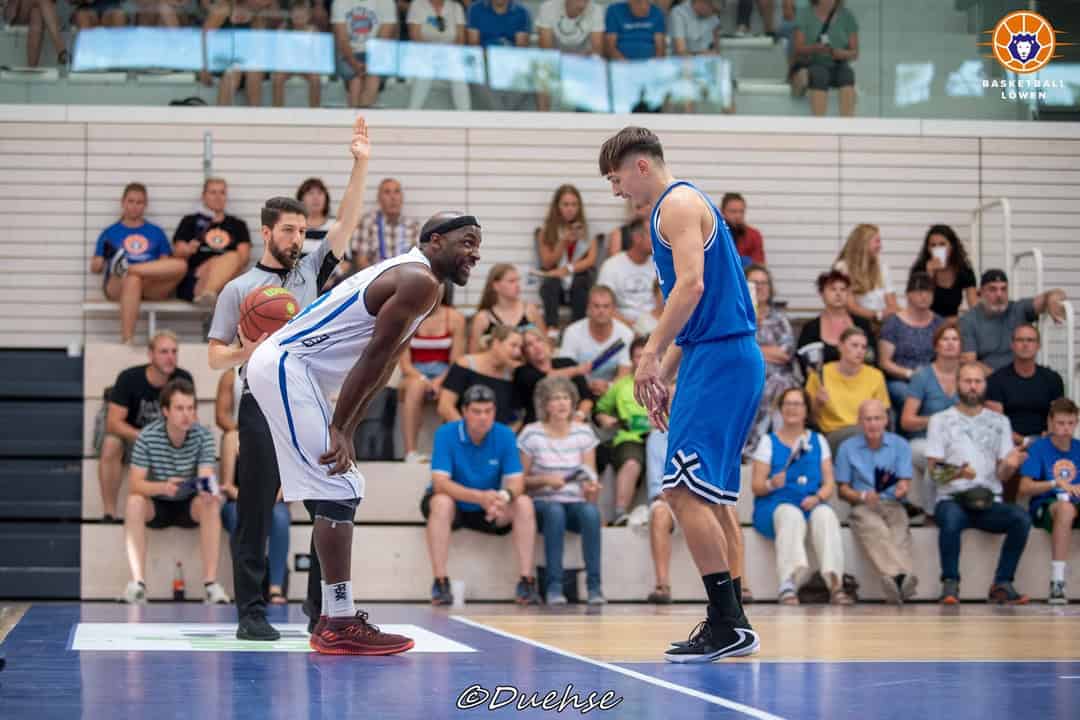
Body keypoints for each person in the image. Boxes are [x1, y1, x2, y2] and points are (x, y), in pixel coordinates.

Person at [246, 208, 483, 654]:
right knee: (340, 484)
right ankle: (337, 621)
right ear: (435, 241)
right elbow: (373, 357)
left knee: (340, 484)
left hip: (298, 372)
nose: (475, 254)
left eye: (478, 246)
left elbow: (388, 362)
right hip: (286, 365)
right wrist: (339, 426)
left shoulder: (421, 282)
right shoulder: (418, 280)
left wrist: (348, 428)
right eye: (467, 242)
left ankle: (331, 618)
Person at [600, 125, 762, 661]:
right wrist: (665, 373)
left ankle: (726, 622)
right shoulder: (678, 207)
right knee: (710, 499)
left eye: (616, 178)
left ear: (640, 166)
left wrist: (649, 354)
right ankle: (734, 621)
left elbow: (691, 287)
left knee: (681, 492)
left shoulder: (676, 205)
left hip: (721, 357)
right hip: (713, 355)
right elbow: (693, 312)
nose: (616, 191)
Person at [207, 117, 370, 642]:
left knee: (332, 500)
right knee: (255, 509)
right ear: (266, 232)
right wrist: (246, 350)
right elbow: (214, 357)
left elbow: (345, 223)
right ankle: (251, 612)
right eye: (288, 230)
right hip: (259, 401)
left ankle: (321, 608)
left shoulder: (311, 273)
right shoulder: (239, 289)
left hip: (308, 400)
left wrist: (360, 164)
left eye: (302, 231)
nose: (298, 238)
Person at [422, 385, 541, 607]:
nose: (483, 417)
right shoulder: (446, 433)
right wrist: (480, 497)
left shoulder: (504, 434)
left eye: (488, 411)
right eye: (477, 411)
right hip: (456, 505)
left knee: (524, 503)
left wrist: (503, 497)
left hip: (489, 506)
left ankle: (526, 581)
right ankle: (440, 582)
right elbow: (440, 484)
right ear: (464, 411)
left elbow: (517, 482)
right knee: (441, 502)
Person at [925, 362, 1032, 605]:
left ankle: (1002, 583)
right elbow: (933, 471)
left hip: (989, 501)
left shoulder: (1000, 422)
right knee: (950, 519)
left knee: (1021, 519)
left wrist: (1010, 465)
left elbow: (1002, 476)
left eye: (978, 381)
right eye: (967, 381)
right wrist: (959, 473)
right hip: (952, 499)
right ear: (957, 384)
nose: (973, 386)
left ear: (985, 385)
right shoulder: (940, 420)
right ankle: (950, 583)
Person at [120, 379, 230, 606]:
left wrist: (207, 489)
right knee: (133, 502)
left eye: (190, 408)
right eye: (179, 408)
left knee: (211, 503)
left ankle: (211, 585)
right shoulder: (147, 436)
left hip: (189, 504)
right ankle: (138, 584)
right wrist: (163, 487)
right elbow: (135, 484)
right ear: (165, 411)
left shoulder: (203, 435)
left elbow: (205, 476)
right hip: (158, 502)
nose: (186, 414)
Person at [750, 387, 848, 605]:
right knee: (790, 515)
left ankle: (835, 582)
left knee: (826, 516)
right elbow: (756, 486)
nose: (792, 409)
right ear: (780, 409)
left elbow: (829, 483)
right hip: (775, 505)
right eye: (787, 404)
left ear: (806, 410)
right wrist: (771, 484)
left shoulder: (819, 441)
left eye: (797, 404)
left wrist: (818, 498)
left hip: (810, 503)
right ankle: (788, 582)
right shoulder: (768, 442)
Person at [519, 376, 605, 604]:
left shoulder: (584, 433)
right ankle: (554, 587)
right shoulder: (531, 433)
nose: (561, 403)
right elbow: (520, 481)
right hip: (543, 503)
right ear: (545, 404)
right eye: (555, 398)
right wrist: (545, 480)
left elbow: (589, 475)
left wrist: (591, 486)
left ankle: (595, 588)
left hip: (575, 501)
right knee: (554, 511)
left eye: (566, 398)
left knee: (591, 513)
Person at [99, 331, 194, 522]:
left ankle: (177, 510)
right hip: (133, 438)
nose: (170, 357)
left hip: (168, 438)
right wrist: (145, 437)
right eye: (164, 352)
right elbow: (113, 423)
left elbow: (190, 417)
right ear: (150, 355)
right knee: (110, 444)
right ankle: (109, 513)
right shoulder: (129, 378)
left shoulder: (183, 379)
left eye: (174, 352)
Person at [216, 368, 291, 606]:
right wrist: (253, 501)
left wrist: (268, 500)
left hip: (272, 500)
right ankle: (247, 587)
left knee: (280, 517)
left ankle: (275, 586)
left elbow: (286, 482)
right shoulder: (233, 437)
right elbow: (227, 485)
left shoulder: (280, 436)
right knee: (240, 517)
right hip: (239, 499)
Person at [835, 399, 918, 605]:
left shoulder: (900, 445)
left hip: (893, 503)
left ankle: (895, 581)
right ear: (859, 422)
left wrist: (902, 488)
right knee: (875, 528)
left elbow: (905, 480)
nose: (873, 424)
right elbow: (842, 490)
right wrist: (862, 496)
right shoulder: (847, 448)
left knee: (899, 531)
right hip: (863, 505)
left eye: (877, 418)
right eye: (868, 419)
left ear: (886, 420)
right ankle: (901, 577)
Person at [90, 182, 187, 344]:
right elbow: (95, 267)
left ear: (145, 205)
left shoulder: (156, 232)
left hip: (150, 284)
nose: (135, 206)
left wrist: (132, 269)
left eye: (139, 202)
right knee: (132, 279)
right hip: (118, 285)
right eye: (131, 201)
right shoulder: (110, 232)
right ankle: (127, 340)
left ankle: (128, 268)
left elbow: (165, 266)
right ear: (123, 203)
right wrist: (99, 262)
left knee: (180, 265)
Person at [1018, 398, 1080, 605]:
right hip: (1047, 505)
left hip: (1076, 502)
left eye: (1070, 423)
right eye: (1061, 423)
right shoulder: (1039, 448)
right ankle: (1057, 582)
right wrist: (1055, 483)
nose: (1066, 429)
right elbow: (1024, 488)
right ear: (1050, 422)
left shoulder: (1079, 447)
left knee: (1069, 507)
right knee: (1065, 508)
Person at [398, 292, 466, 463]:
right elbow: (405, 365)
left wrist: (440, 380)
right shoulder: (407, 317)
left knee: (449, 389)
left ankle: (449, 451)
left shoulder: (455, 318)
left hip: (445, 372)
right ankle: (410, 452)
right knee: (416, 386)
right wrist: (424, 380)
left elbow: (456, 362)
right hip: (414, 373)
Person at [959, 268, 1067, 374]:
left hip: (1023, 375)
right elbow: (970, 362)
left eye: (1003, 289)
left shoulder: (1018, 309)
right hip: (990, 379)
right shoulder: (969, 320)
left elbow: (1058, 293)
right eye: (993, 289)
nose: (999, 294)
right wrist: (1002, 379)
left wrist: (1052, 299)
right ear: (981, 292)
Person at [900, 320, 961, 507]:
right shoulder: (923, 376)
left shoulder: (968, 376)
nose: (950, 343)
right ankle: (932, 512)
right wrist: (936, 420)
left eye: (955, 339)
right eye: (945, 339)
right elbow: (906, 421)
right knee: (936, 460)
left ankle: (940, 510)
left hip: (958, 441)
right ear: (936, 346)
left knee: (940, 464)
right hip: (923, 441)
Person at [595, 337, 652, 527]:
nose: (642, 360)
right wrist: (604, 418)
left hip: (662, 436)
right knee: (631, 462)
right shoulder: (620, 385)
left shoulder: (666, 382)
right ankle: (620, 513)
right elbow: (600, 409)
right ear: (631, 359)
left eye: (646, 355)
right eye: (638, 356)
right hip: (630, 436)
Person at [744, 264, 800, 456]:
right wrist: (767, 351)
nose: (760, 287)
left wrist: (751, 349)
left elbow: (785, 353)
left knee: (779, 383)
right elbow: (732, 351)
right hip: (744, 375)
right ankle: (752, 446)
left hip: (777, 377)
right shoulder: (737, 315)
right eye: (754, 283)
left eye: (764, 283)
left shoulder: (779, 319)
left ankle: (770, 446)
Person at [805, 326, 890, 453]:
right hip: (833, 434)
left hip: (867, 431)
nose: (860, 351)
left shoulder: (875, 376)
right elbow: (807, 417)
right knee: (861, 435)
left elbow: (883, 413)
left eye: (863, 347)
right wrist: (817, 403)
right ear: (840, 346)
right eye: (854, 345)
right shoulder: (820, 374)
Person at [172, 177, 252, 307]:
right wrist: (188, 249)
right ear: (203, 196)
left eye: (222, 193)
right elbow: (177, 253)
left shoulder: (237, 225)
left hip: (228, 279)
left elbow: (243, 259)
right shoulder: (190, 221)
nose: (218, 197)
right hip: (196, 278)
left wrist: (216, 264)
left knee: (233, 257)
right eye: (213, 192)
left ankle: (208, 293)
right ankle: (209, 293)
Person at [986, 324, 1065, 444]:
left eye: (1030, 340)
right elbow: (997, 426)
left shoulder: (1052, 379)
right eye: (1020, 340)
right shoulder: (995, 380)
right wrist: (1026, 441)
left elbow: (1059, 418)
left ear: (1038, 345)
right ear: (1012, 345)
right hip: (1008, 445)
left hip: (1046, 443)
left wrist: (1047, 438)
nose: (1025, 344)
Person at [536, 185, 598, 328]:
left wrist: (567, 269)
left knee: (581, 283)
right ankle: (552, 329)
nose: (570, 209)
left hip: (577, 280)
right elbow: (547, 262)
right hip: (555, 283)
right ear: (557, 207)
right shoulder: (546, 231)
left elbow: (591, 260)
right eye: (566, 204)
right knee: (550, 284)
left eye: (574, 204)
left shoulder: (587, 229)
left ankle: (579, 329)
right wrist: (563, 242)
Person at [878, 271, 942, 410]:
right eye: (919, 291)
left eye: (929, 292)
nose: (924, 296)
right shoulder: (893, 323)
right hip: (901, 380)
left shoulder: (938, 323)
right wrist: (910, 374)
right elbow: (884, 362)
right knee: (911, 396)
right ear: (908, 295)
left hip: (933, 377)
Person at [796, 269, 876, 377]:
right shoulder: (811, 328)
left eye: (843, 289)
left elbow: (872, 358)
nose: (838, 294)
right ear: (821, 294)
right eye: (833, 289)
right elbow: (804, 363)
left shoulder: (862, 324)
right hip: (823, 382)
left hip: (860, 381)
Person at [439, 325, 525, 427]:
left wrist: (505, 435)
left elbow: (518, 416)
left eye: (520, 348)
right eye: (513, 345)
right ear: (496, 343)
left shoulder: (512, 375)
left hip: (497, 434)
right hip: (463, 432)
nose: (518, 352)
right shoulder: (465, 365)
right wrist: (468, 432)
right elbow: (445, 406)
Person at [558, 285, 635, 397]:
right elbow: (566, 369)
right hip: (578, 389)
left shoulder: (626, 334)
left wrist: (608, 386)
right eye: (596, 306)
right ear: (588, 308)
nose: (601, 311)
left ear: (614, 309)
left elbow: (625, 373)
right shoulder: (572, 332)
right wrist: (585, 386)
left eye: (606, 306)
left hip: (612, 392)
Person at [513, 327, 593, 426]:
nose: (536, 346)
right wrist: (577, 370)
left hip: (575, 423)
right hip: (540, 426)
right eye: (529, 344)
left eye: (539, 340)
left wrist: (578, 416)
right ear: (524, 352)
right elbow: (546, 379)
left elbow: (587, 398)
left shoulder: (567, 362)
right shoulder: (522, 372)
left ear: (547, 343)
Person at [791, 0, 858, 117]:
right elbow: (798, 48)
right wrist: (815, 48)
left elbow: (854, 52)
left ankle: (847, 123)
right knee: (820, 75)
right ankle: (820, 123)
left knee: (847, 75)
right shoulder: (804, 15)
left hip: (838, 63)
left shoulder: (847, 16)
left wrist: (841, 53)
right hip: (813, 63)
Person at [535, 0, 604, 111]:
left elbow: (597, 50)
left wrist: (574, 62)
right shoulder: (548, 7)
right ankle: (543, 116)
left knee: (596, 66)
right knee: (542, 68)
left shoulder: (596, 10)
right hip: (556, 58)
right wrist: (566, 62)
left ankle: (586, 115)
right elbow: (546, 49)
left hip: (583, 59)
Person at [406, 0, 471, 110]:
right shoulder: (417, 5)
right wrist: (433, 53)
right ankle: (412, 111)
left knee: (458, 72)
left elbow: (460, 39)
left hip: (450, 54)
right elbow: (415, 36)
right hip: (424, 52)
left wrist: (448, 54)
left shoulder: (456, 7)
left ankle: (465, 114)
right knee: (425, 68)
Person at [333, 0, 398, 107]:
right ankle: (360, 116)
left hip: (377, 53)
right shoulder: (339, 2)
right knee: (355, 82)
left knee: (373, 79)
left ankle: (359, 116)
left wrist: (371, 64)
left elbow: (383, 39)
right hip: (349, 52)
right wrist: (354, 63)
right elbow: (342, 39)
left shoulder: (387, 2)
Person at [469, 263, 545, 352]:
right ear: (496, 286)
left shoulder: (530, 310)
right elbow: (473, 354)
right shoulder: (483, 318)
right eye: (511, 281)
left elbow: (546, 345)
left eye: (518, 280)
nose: (517, 285)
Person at [350, 178, 421, 272]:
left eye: (397, 192)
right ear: (379, 198)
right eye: (387, 192)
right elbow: (361, 262)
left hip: (406, 277)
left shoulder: (413, 225)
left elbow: (419, 261)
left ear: (402, 198)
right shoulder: (367, 223)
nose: (393, 197)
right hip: (375, 277)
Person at [833, 223, 897, 326]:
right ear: (864, 243)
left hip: (883, 323)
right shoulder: (842, 268)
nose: (880, 246)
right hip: (855, 324)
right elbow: (851, 307)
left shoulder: (882, 266)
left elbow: (892, 304)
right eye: (877, 241)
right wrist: (878, 315)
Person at [596, 218, 655, 328]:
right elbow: (601, 304)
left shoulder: (660, 265)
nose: (658, 241)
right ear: (637, 238)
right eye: (653, 236)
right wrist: (632, 326)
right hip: (620, 326)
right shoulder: (611, 266)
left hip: (656, 325)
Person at [911, 224, 977, 319]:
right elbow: (916, 307)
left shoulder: (963, 269)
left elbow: (973, 305)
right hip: (924, 321)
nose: (937, 249)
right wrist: (929, 275)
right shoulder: (920, 269)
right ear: (928, 249)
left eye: (942, 244)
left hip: (951, 323)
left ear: (951, 246)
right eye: (933, 245)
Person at [271, 0, 323, 108]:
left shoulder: (313, 31)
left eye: (302, 15)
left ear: (309, 16)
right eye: (296, 15)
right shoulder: (283, 30)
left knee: (315, 79)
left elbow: (317, 53)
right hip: (287, 65)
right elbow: (278, 51)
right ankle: (277, 110)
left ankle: (315, 110)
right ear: (291, 15)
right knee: (278, 78)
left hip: (307, 66)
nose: (299, 17)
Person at [720, 193, 765, 265]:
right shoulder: (716, 236)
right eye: (733, 211)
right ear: (722, 212)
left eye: (741, 211)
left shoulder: (754, 236)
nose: (738, 216)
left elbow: (758, 265)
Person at [295, 177, 334, 257]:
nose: (316, 197)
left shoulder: (335, 227)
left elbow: (345, 260)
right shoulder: (293, 227)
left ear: (326, 199)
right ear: (301, 199)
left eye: (320, 193)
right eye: (310, 193)